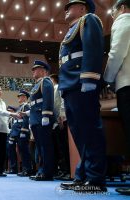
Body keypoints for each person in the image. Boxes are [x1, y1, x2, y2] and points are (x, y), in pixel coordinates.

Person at [58, 0, 107, 192]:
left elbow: (93, 49)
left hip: (81, 83)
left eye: (70, 6)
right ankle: (83, 175)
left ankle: (96, 179)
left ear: (82, 8)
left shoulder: (89, 20)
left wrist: (89, 78)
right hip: (70, 86)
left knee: (90, 131)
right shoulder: (71, 29)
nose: (66, 9)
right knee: (80, 134)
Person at [103, 0, 130, 195]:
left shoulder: (123, 21)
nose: (112, 15)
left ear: (122, 8)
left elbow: (116, 53)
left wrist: (107, 79)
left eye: (113, 11)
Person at [22, 61, 54, 181]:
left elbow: (48, 99)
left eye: (36, 69)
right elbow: (34, 104)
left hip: (42, 118)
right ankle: (41, 170)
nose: (33, 71)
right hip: (35, 119)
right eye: (33, 69)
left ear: (43, 70)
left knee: (45, 146)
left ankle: (47, 172)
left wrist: (46, 115)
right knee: (40, 147)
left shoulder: (45, 81)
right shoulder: (36, 85)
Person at [49, 74, 71, 180]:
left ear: (53, 80)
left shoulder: (57, 87)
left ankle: (67, 171)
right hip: (56, 121)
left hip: (61, 120)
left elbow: (61, 101)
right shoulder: (53, 89)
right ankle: (63, 170)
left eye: (50, 80)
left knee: (63, 147)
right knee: (59, 147)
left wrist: (61, 115)